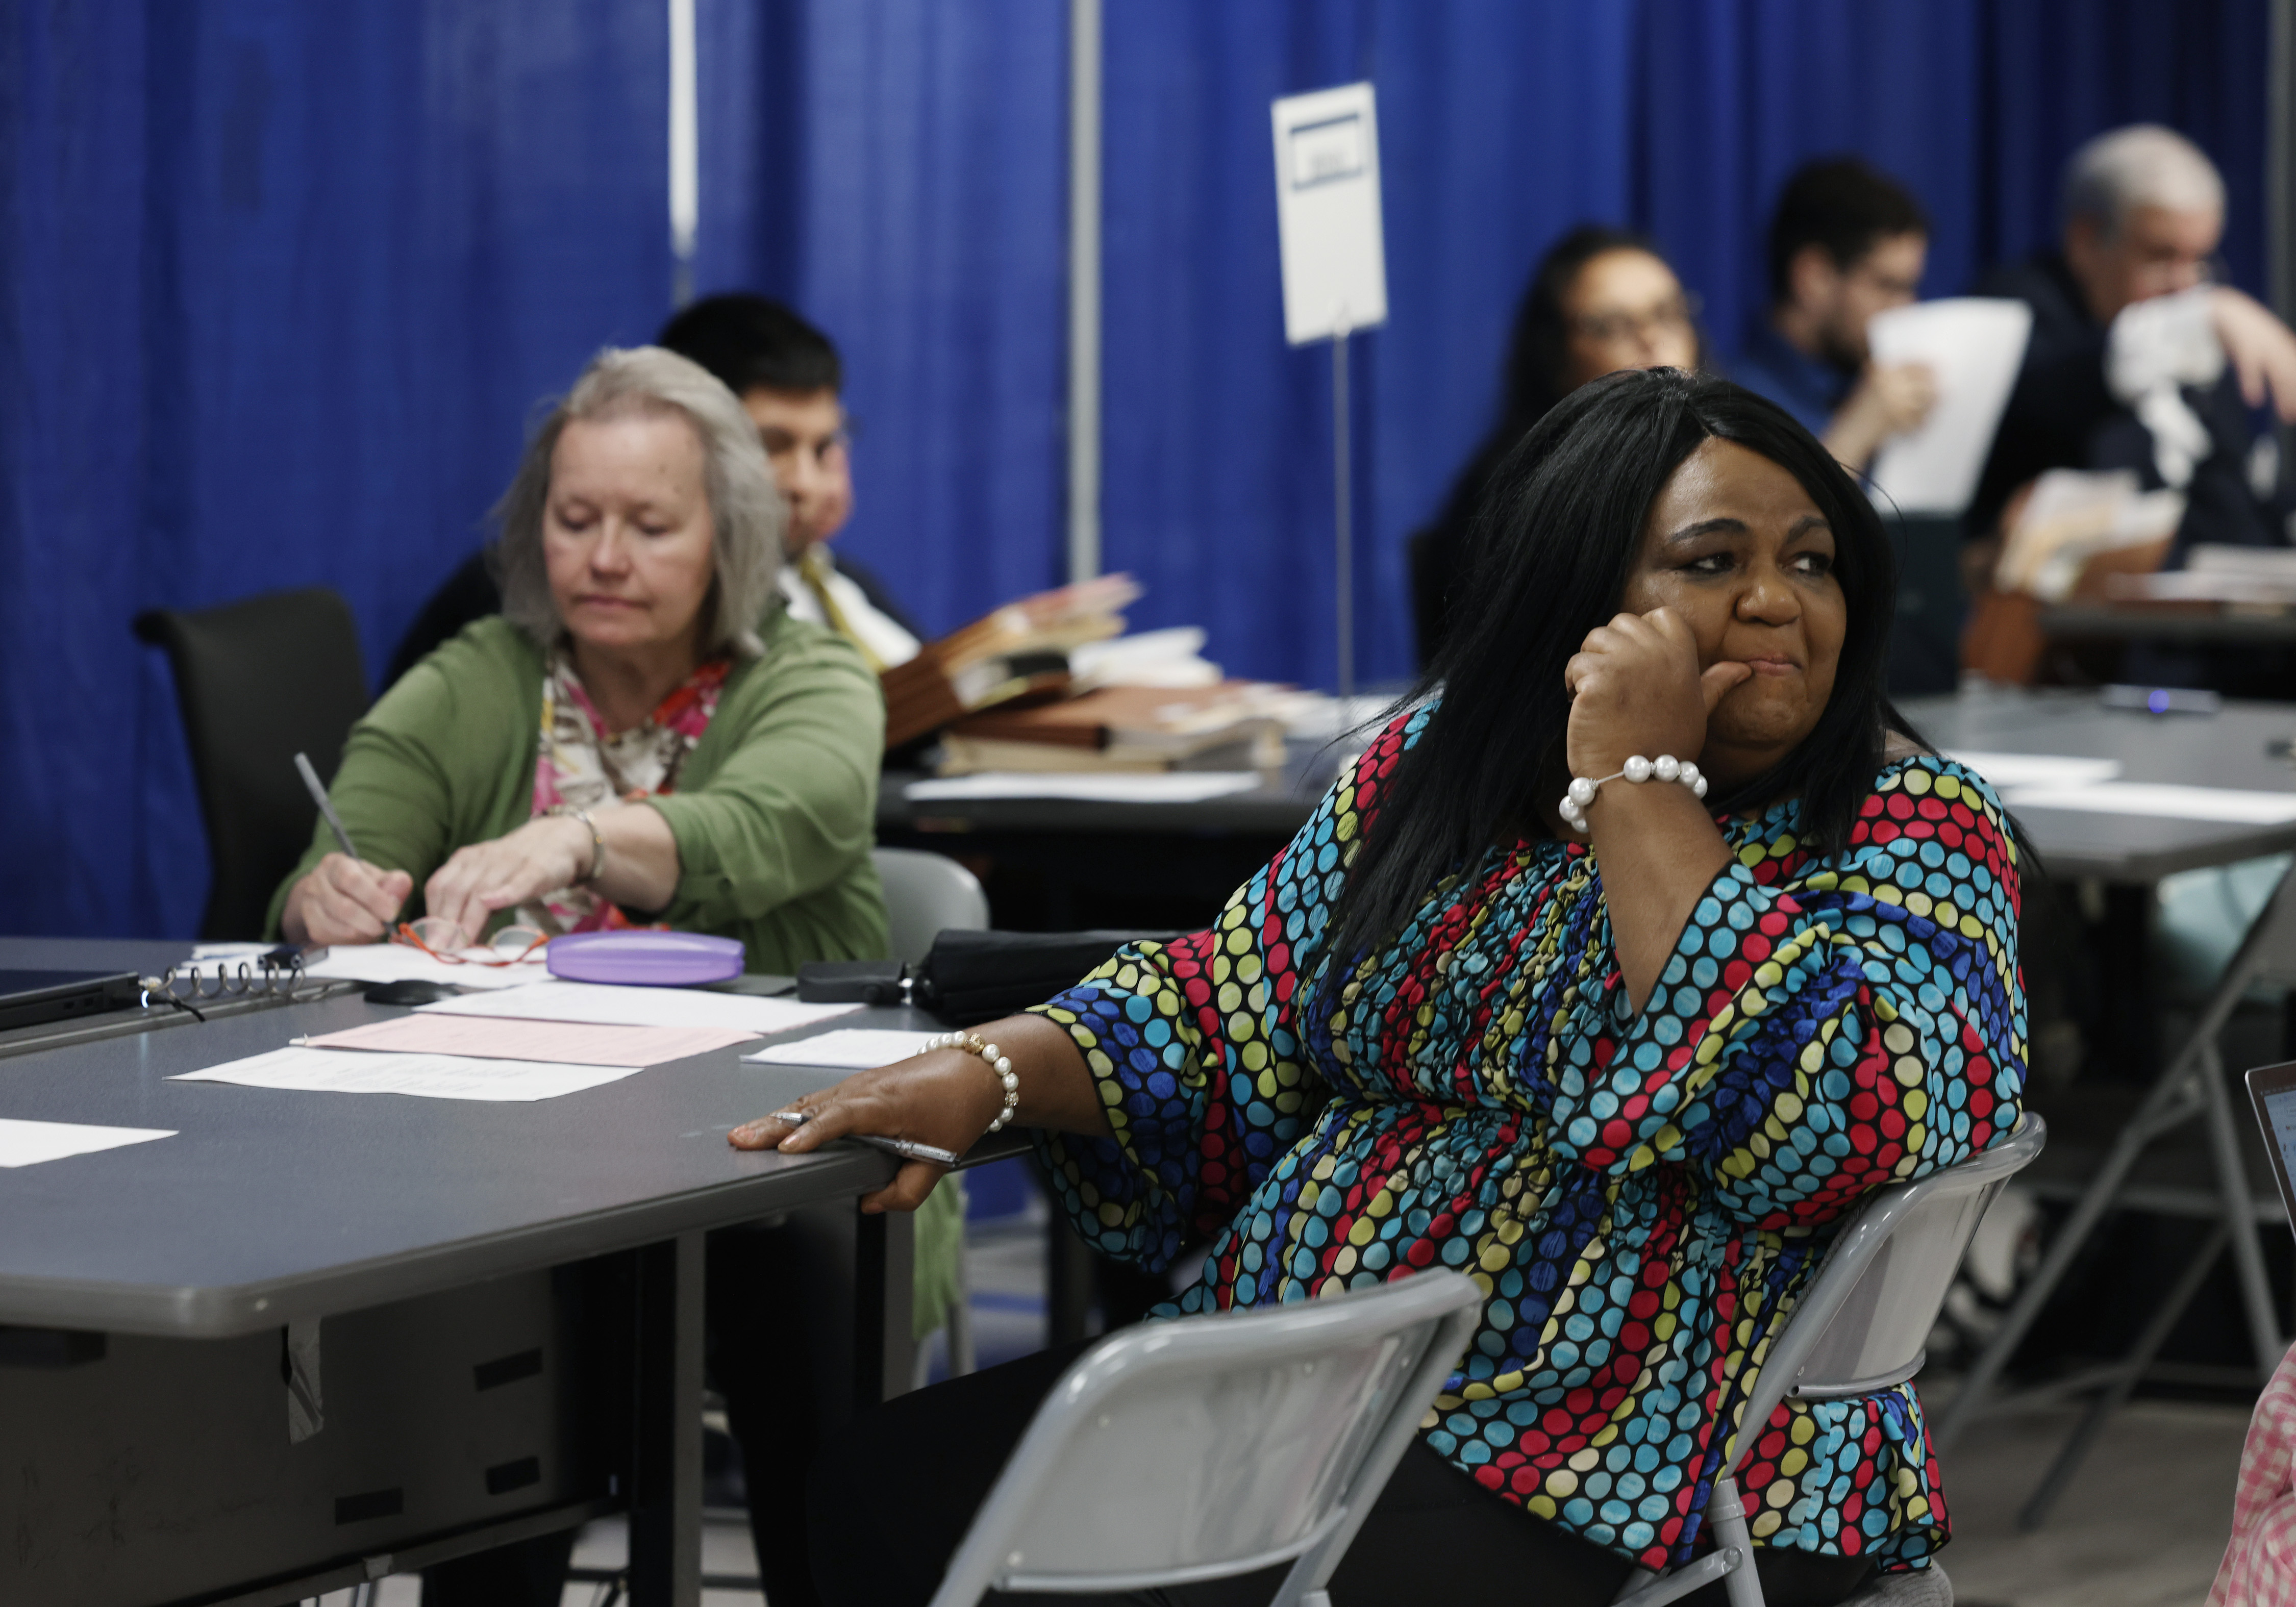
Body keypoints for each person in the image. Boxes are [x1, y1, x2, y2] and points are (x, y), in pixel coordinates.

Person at [746, 368, 2027, 1606]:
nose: (1772, 602)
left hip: (1668, 1463)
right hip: (1315, 1383)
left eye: (1807, 561)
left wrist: (1641, 783)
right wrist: (992, 1069)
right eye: (1709, 562)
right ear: (1573, 597)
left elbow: (1837, 1128)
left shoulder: (1907, 829)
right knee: (880, 1489)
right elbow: (1230, 1002)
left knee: (1131, 1584)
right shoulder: (1437, 771)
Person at [270, 346, 920, 1607]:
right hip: (517, 1168)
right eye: (574, 522)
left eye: (646, 525)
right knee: (500, 1309)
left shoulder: (812, 679)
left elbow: (768, 825)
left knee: (782, 1283)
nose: (603, 559)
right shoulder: (476, 681)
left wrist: (581, 836)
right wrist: (324, 896)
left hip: (778, 1166)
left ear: (728, 540)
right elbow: (333, 857)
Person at [384, 294, 923, 687]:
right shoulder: (522, 595)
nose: (805, 483)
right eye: (775, 446)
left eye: (824, 449)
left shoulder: (841, 581)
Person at [1970, 124, 2296, 562]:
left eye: (2199, 260)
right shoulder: (2011, 310)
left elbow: (2231, 494)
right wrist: (2199, 320)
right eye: (2161, 257)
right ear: (2086, 242)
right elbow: (2047, 393)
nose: (2185, 285)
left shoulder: (2190, 334)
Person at [1410, 227, 1706, 665]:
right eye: (1613, 326)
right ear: (1555, 355)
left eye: (1666, 314)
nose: (1651, 339)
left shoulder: (1732, 463)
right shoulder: (1515, 495)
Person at [1730, 157, 1937, 472]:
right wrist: (1855, 436)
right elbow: (1770, 519)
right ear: (1814, 279)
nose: (1907, 309)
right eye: (1887, 287)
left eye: (1910, 288)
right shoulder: (1733, 404)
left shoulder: (1871, 378)